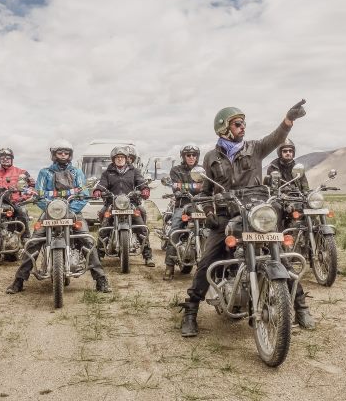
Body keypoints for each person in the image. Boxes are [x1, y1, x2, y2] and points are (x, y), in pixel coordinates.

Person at [180, 99, 314, 337]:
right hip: (224, 216)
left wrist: (288, 120)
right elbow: (206, 192)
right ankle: (190, 312)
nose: (243, 127)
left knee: (280, 256)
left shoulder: (255, 148)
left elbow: (276, 137)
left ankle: (300, 306)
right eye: (238, 124)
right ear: (224, 128)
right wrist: (209, 213)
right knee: (207, 261)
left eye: (243, 124)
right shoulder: (211, 157)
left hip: (254, 214)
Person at [6, 139, 111, 294]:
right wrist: (49, 208)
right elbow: (39, 194)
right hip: (49, 212)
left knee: (88, 241)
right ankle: (19, 280)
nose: (63, 155)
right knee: (33, 242)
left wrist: (71, 210)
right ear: (54, 155)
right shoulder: (44, 172)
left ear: (70, 155)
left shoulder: (77, 172)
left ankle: (101, 279)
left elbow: (83, 194)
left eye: (66, 153)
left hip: (72, 212)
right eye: (60, 152)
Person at [93, 146, 154, 266]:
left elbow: (141, 182)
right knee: (103, 224)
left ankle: (148, 256)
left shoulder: (134, 171)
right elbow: (102, 184)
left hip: (131, 203)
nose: (120, 159)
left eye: (122, 157)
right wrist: (98, 190)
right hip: (112, 203)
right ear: (113, 159)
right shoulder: (107, 173)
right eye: (117, 157)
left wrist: (145, 189)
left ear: (126, 159)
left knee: (141, 226)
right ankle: (99, 256)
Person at [163, 144, 203, 280]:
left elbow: (206, 186)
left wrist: (186, 186)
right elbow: (176, 186)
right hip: (183, 205)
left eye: (194, 155)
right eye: (188, 155)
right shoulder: (176, 170)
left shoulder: (202, 170)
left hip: (201, 206)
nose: (191, 157)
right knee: (174, 230)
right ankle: (169, 266)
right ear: (183, 157)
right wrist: (191, 187)